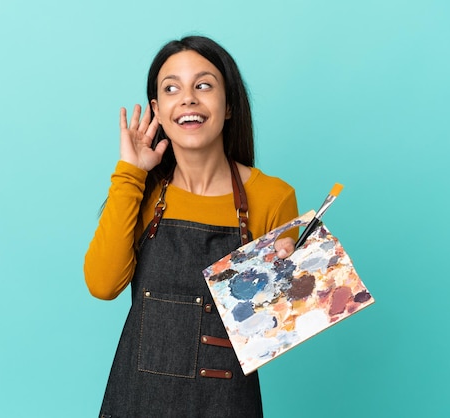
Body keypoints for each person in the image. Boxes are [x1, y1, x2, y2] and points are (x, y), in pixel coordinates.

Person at [84, 35, 299, 418]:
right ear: (158, 110)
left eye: (203, 85)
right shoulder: (141, 192)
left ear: (229, 104)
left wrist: (289, 283)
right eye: (172, 88)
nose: (188, 98)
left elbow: (269, 336)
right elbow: (102, 286)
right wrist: (131, 173)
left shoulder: (273, 197)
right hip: (136, 403)